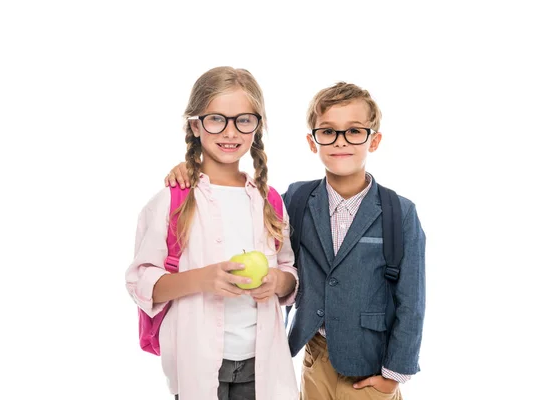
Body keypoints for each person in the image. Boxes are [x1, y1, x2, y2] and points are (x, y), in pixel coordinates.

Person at [165, 82, 426, 400]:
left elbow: (412, 300)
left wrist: (395, 373)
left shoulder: (399, 212)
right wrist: (192, 170)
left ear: (374, 140)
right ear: (312, 141)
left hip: (370, 366)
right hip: (312, 357)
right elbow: (245, 203)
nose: (340, 141)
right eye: (328, 131)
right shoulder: (296, 200)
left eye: (354, 131)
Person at [126, 66, 299, 400]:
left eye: (243, 120)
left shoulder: (270, 200)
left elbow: (289, 268)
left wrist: (280, 282)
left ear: (257, 126)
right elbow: (140, 282)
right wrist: (201, 279)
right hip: (198, 360)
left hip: (262, 363)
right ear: (196, 125)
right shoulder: (172, 199)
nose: (230, 131)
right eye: (217, 119)